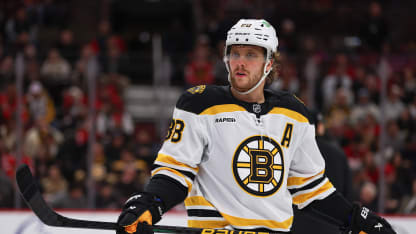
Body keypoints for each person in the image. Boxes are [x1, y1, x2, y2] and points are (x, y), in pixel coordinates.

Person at [116, 19, 396, 234]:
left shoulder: (294, 113)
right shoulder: (199, 104)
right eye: (235, 53)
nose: (240, 62)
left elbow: (311, 190)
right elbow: (175, 172)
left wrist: (357, 218)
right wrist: (149, 204)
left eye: (251, 54)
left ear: (269, 63)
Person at [291, 111, 353, 234]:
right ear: (320, 127)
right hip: (332, 223)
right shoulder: (338, 153)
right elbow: (348, 192)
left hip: (300, 223)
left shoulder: (293, 151)